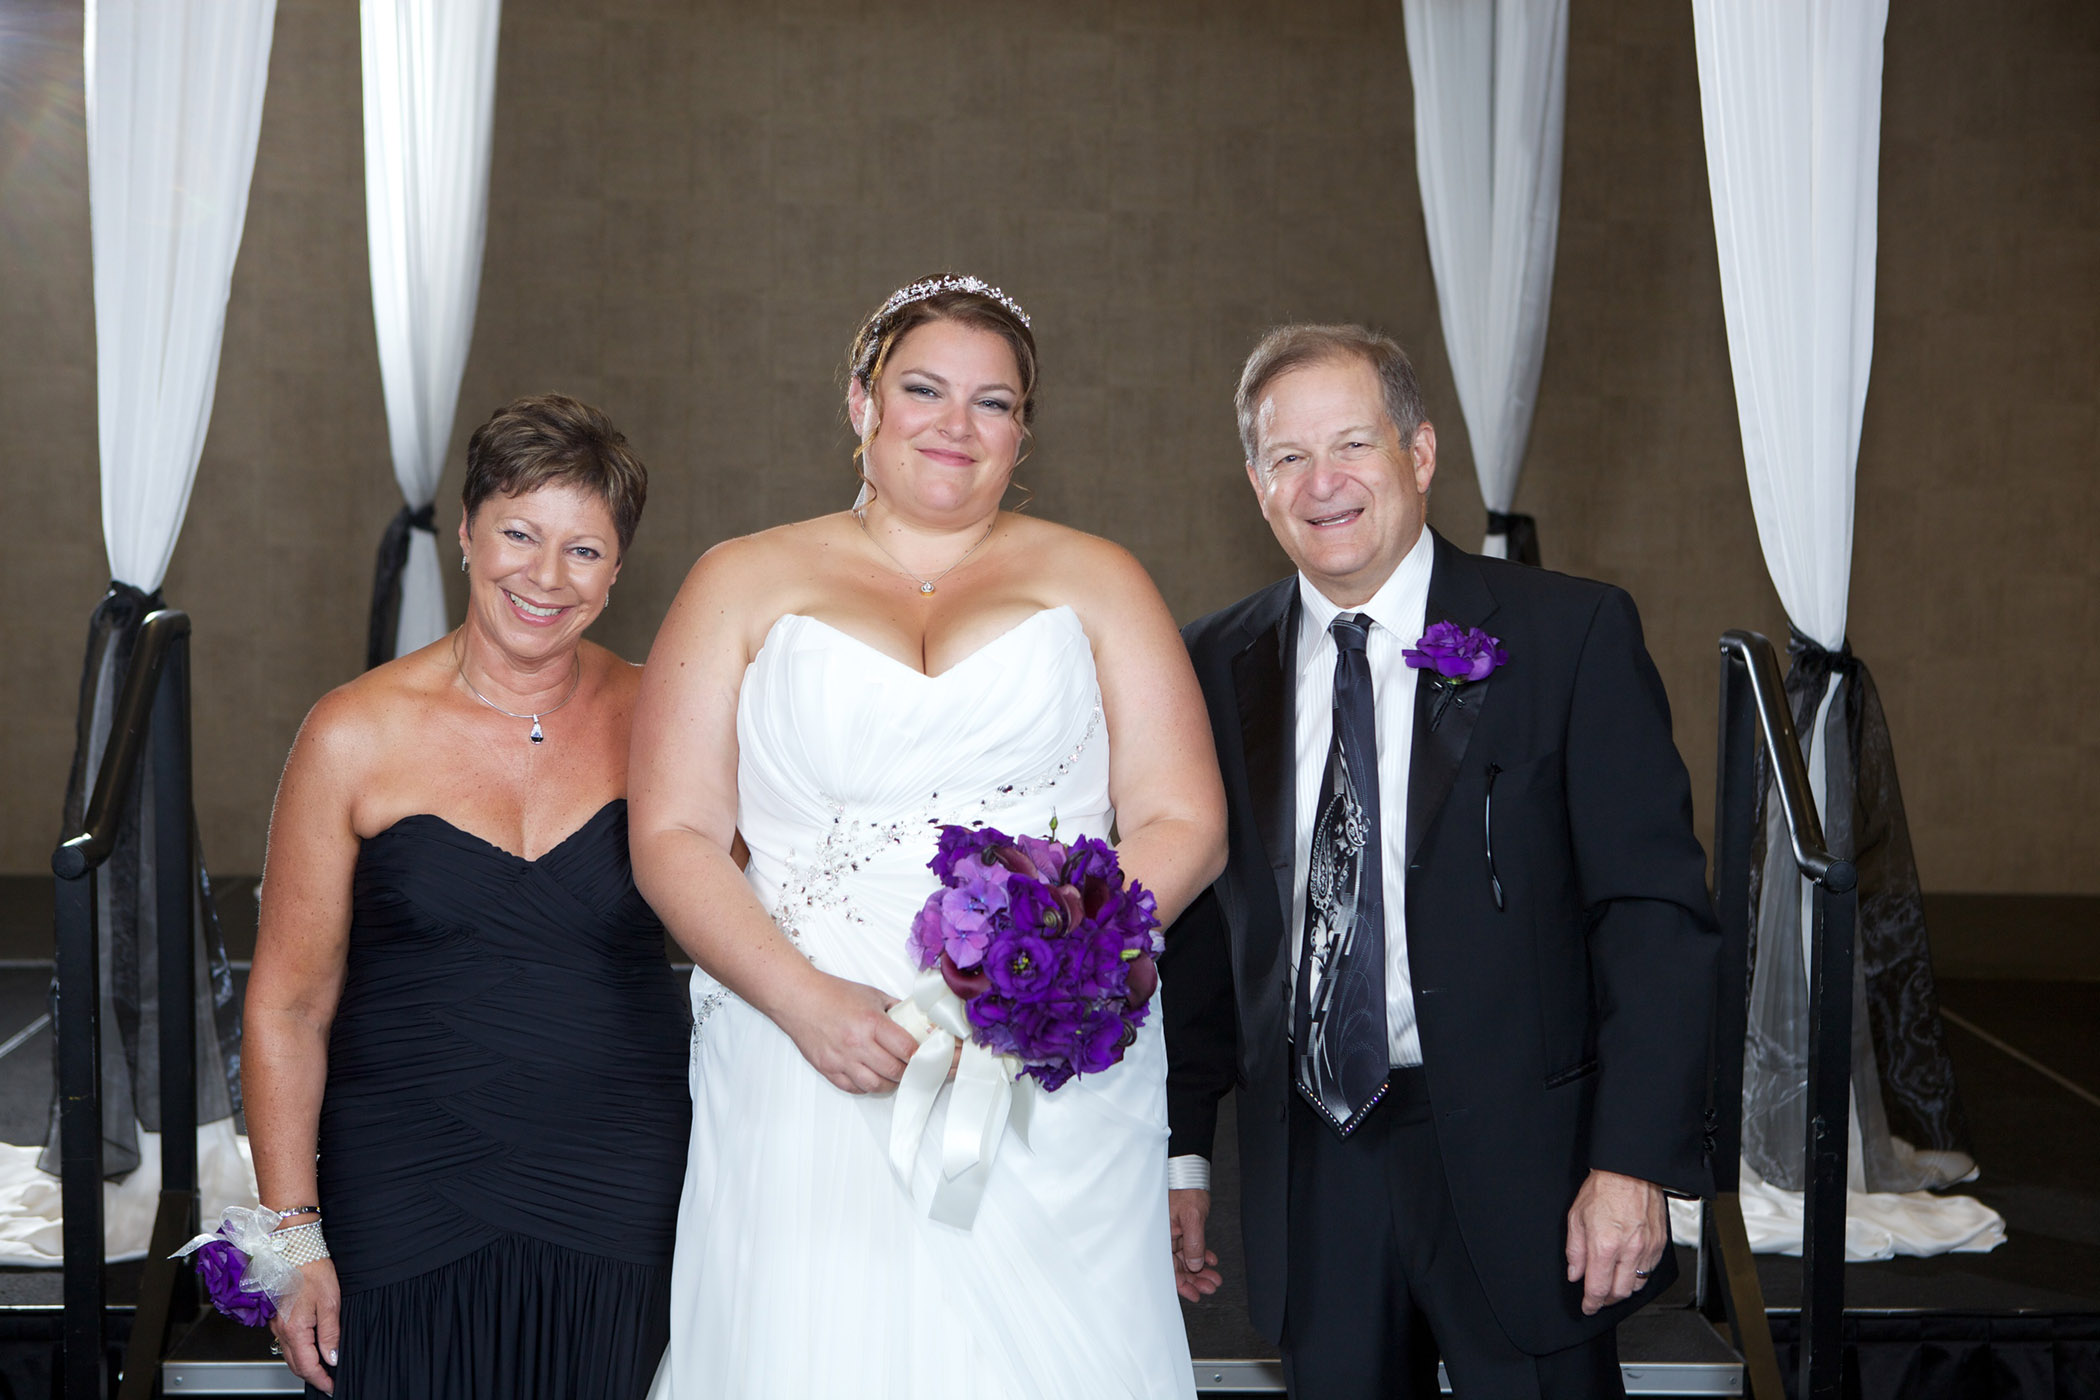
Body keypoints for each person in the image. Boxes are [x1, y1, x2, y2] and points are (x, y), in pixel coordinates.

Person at [630, 274, 1225, 1399]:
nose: (957, 424)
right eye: (923, 389)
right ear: (861, 402)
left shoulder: (1099, 577)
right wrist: (805, 1002)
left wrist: (1052, 971)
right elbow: (673, 831)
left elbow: (1184, 819)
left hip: (1042, 1053)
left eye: (994, 403)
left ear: (1023, 434)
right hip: (806, 1043)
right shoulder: (740, 577)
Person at [1160, 325, 1719, 1399]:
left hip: (1531, 1162)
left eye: (1352, 444)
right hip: (1315, 1160)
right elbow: (1201, 937)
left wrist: (1632, 1160)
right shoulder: (1211, 663)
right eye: (1288, 457)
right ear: (1257, 485)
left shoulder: (1569, 634)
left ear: (1418, 454)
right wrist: (1182, 1151)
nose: (1322, 482)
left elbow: (1651, 916)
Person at [243, 395, 691, 1398]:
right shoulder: (351, 733)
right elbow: (288, 1004)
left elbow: (770, 916)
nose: (546, 575)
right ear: (466, 533)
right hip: (403, 1184)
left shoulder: (668, 717)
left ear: (618, 569)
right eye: (520, 533)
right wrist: (293, 1234)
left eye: (584, 549)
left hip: (622, 1180)